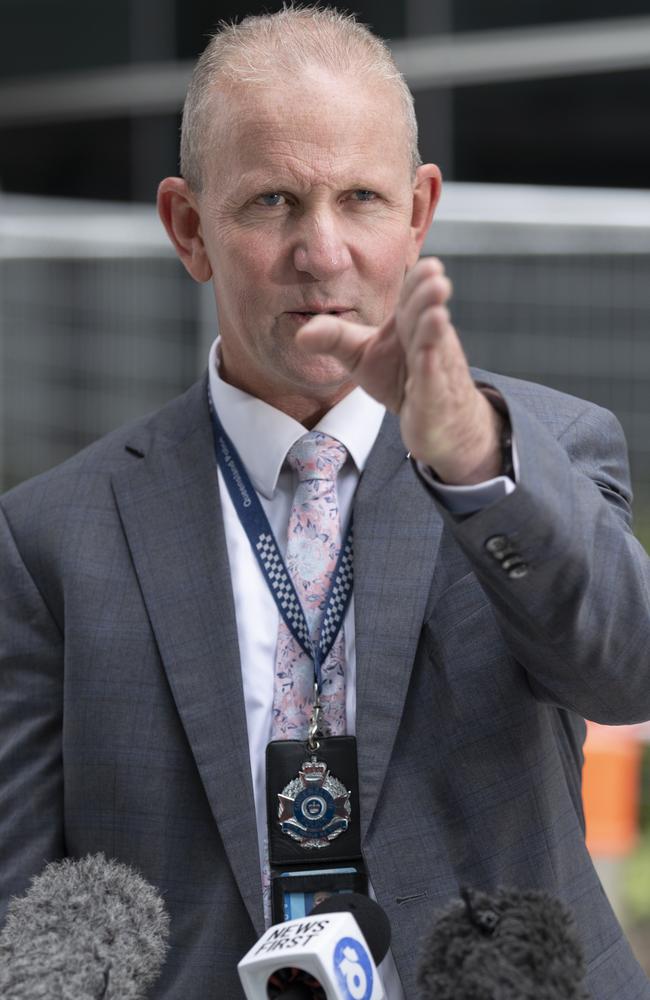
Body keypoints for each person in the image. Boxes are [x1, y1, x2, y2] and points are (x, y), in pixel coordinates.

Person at [1, 7, 649, 998]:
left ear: (418, 211)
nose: (322, 249)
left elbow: (625, 676)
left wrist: (469, 458)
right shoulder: (49, 538)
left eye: (359, 197)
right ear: (188, 227)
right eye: (271, 202)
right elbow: (25, 917)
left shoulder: (538, 452)